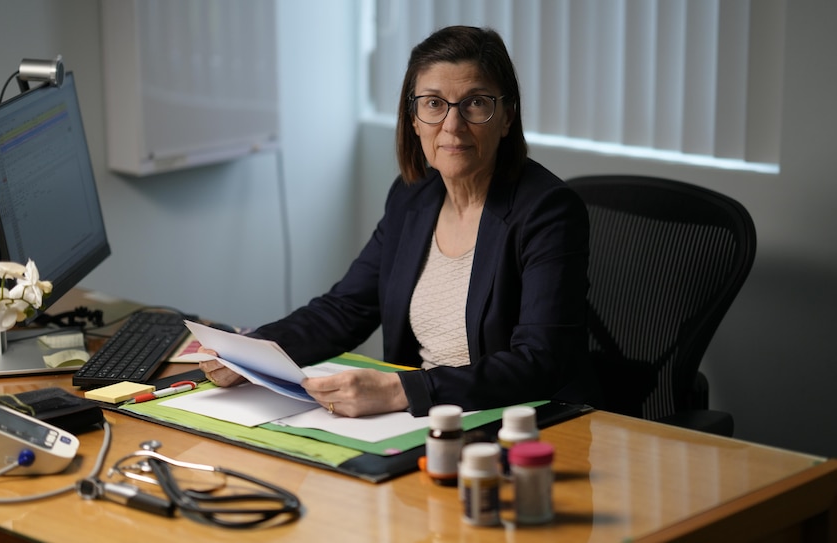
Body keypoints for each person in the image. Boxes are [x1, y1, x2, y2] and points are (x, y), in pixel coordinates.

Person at [200, 25, 595, 418]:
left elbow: (540, 361)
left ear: (506, 116)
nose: (452, 126)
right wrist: (251, 353)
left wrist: (403, 390)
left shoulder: (548, 211)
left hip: (516, 423)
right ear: (414, 118)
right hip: (423, 420)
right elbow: (345, 309)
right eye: (434, 103)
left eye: (475, 103)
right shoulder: (412, 197)